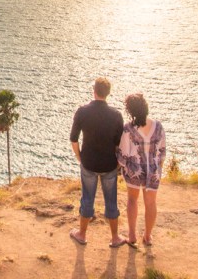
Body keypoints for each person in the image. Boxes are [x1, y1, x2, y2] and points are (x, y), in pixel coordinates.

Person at [69, 76, 125, 247]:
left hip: (89, 163)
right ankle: (115, 238)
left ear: (94, 91)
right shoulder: (116, 115)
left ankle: (82, 234)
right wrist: (117, 164)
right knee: (111, 200)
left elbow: (73, 139)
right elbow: (119, 144)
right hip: (109, 164)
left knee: (87, 198)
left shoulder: (82, 111)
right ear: (107, 93)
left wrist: (80, 157)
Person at [116, 93, 166, 247]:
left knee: (132, 200)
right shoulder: (158, 126)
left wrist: (120, 164)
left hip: (134, 170)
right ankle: (148, 236)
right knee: (151, 203)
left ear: (130, 111)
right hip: (153, 170)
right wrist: (158, 168)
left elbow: (123, 154)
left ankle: (131, 235)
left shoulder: (128, 129)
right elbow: (162, 151)